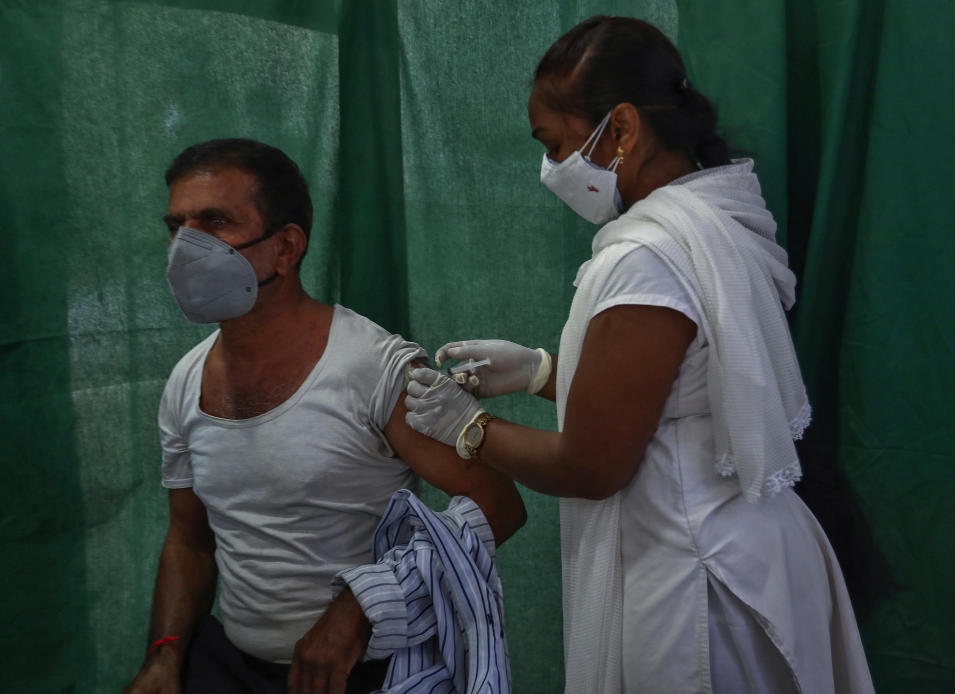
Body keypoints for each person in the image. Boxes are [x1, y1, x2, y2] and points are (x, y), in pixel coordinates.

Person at [404, 16, 874, 694]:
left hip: (695, 577)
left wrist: (467, 429)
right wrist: (542, 374)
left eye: (557, 144)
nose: (552, 169)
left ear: (620, 129)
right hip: (752, 548)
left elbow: (593, 465)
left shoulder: (647, 255)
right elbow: (680, 392)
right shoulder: (719, 221)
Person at [122, 138, 526, 694]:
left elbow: (499, 506)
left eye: (214, 221)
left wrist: (366, 604)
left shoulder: (372, 368)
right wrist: (164, 656)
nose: (187, 247)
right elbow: (189, 540)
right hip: (232, 666)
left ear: (285, 248)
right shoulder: (185, 383)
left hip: (367, 671)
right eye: (178, 226)